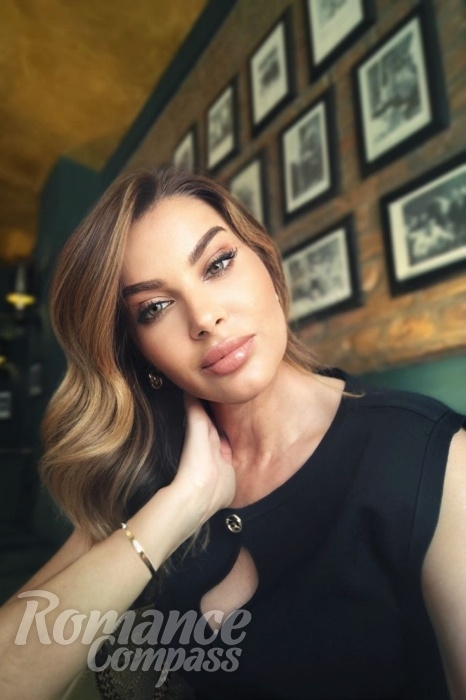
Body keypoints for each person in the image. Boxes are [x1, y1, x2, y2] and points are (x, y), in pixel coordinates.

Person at [0, 167, 465, 700]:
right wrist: (182, 504)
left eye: (218, 264)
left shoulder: (430, 458)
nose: (204, 317)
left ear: (265, 261)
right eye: (154, 308)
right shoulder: (147, 466)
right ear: (138, 352)